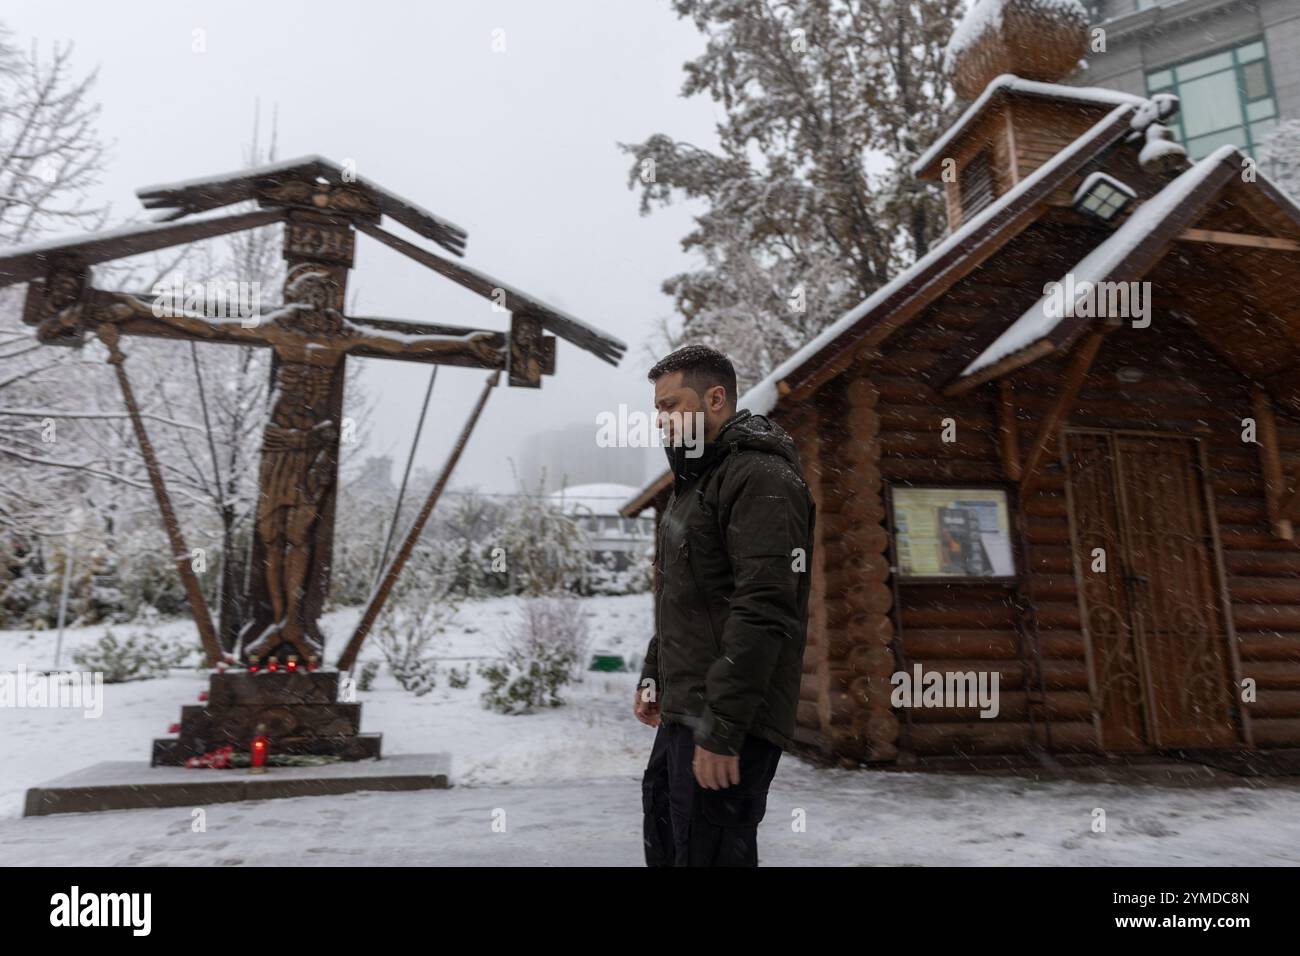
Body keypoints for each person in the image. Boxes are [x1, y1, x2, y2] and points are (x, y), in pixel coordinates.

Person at [633, 344, 815, 866]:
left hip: (729, 718)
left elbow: (764, 607)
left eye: (671, 405)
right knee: (669, 844)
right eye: (657, 409)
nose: (661, 419)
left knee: (711, 853)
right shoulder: (693, 486)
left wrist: (723, 726)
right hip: (685, 712)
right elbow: (686, 598)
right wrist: (656, 676)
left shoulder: (761, 479)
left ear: (716, 398)